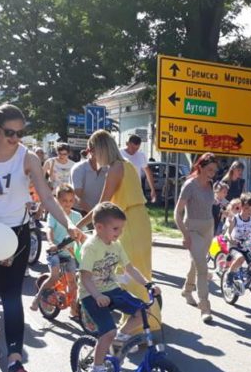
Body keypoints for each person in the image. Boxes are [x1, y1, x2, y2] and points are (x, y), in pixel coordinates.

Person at [0, 104, 82, 372]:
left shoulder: (27, 157)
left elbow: (48, 198)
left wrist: (69, 223)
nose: (15, 139)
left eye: (20, 133)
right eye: (10, 133)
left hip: (16, 232)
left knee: (12, 294)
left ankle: (15, 360)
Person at [78, 130, 157, 330]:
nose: (92, 156)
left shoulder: (115, 168)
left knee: (126, 271)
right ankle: (148, 319)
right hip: (141, 219)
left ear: (100, 149)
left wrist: (78, 225)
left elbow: (101, 205)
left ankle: (133, 328)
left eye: (92, 151)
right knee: (141, 269)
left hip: (126, 222)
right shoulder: (128, 165)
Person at [78, 203, 160, 372]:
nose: (120, 232)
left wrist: (148, 283)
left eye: (121, 228)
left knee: (142, 311)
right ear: (99, 228)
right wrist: (97, 295)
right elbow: (85, 277)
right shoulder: (91, 247)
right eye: (116, 228)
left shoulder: (116, 245)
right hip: (91, 294)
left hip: (111, 289)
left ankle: (119, 339)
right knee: (107, 330)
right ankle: (96, 370)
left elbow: (129, 268)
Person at [175, 152, 218, 323]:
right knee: (202, 268)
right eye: (209, 169)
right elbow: (177, 213)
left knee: (197, 261)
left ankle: (187, 290)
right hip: (192, 229)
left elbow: (209, 203)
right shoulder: (189, 185)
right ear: (200, 167)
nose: (212, 173)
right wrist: (185, 234)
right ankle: (205, 306)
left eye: (214, 171)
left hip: (209, 227)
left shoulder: (211, 184)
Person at [30, 184, 82, 313]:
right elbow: (49, 229)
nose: (68, 203)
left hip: (69, 253)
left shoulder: (77, 216)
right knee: (54, 276)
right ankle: (37, 298)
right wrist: (51, 243)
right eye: (64, 200)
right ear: (58, 201)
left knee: (73, 283)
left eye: (71, 200)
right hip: (55, 251)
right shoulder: (53, 215)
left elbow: (82, 232)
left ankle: (74, 310)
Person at [120, 134, 156, 204]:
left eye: (137, 149)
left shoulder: (141, 155)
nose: (134, 151)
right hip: (121, 190)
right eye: (132, 148)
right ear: (128, 144)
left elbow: (148, 172)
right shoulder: (119, 153)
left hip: (136, 190)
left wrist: (153, 189)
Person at [71, 147, 108, 212]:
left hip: (100, 212)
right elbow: (77, 197)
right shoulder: (78, 169)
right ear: (89, 151)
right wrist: (94, 214)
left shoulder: (109, 169)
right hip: (80, 212)